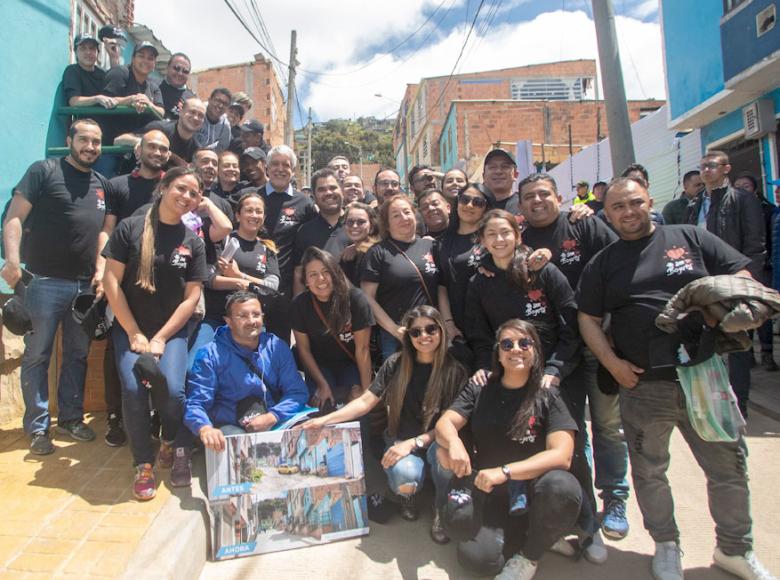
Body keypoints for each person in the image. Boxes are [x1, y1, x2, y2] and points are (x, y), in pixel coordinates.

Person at [578, 177, 774, 580]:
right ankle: (666, 544)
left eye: (635, 202)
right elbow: (588, 318)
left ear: (650, 200)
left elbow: (746, 280)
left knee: (728, 467)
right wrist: (612, 363)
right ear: (607, 212)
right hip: (643, 383)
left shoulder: (691, 236)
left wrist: (734, 315)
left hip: (705, 376)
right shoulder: (606, 262)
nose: (628, 212)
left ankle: (734, 549)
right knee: (650, 470)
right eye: (618, 207)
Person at [463, 209, 603, 559]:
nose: (499, 240)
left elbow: (571, 325)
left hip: (554, 375)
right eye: (491, 234)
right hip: (509, 375)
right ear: (482, 241)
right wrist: (484, 365)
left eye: (505, 233)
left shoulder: (544, 272)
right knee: (518, 446)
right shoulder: (479, 281)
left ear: (518, 235)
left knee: (572, 452)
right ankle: (533, 524)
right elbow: (480, 334)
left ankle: (587, 526)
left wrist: (555, 368)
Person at [517, 173, 630, 541]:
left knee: (608, 426)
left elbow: (621, 262)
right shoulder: (518, 238)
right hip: (557, 354)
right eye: (529, 196)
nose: (537, 201)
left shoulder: (585, 226)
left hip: (598, 343)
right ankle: (583, 507)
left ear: (560, 196)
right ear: (521, 205)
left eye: (544, 194)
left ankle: (615, 498)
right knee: (573, 431)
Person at [304, 305, 468, 540]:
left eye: (431, 329)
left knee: (446, 456)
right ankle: (408, 496)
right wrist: (323, 421)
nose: (424, 336)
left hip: (433, 442)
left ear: (441, 331)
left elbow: (449, 425)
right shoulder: (396, 364)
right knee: (406, 475)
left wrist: (412, 443)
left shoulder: (455, 371)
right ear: (408, 336)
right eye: (416, 332)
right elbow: (365, 403)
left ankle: (440, 506)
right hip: (400, 438)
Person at [434, 319, 582, 579]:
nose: (516, 349)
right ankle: (536, 536)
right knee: (476, 560)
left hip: (535, 492)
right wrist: (454, 442)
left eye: (525, 343)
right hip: (490, 491)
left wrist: (505, 471)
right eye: (507, 344)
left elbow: (563, 454)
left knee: (563, 486)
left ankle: (531, 553)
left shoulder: (549, 394)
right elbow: (445, 423)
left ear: (535, 351)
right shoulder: (480, 387)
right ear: (498, 354)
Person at [1, 119, 108, 455]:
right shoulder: (43, 172)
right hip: (43, 281)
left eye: (96, 142)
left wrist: (101, 273)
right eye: (84, 140)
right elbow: (14, 217)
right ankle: (37, 428)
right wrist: (13, 261)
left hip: (84, 287)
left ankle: (72, 418)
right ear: (69, 140)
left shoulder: (101, 184)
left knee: (77, 355)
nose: (90, 147)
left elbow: (105, 234)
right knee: (38, 355)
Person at [101, 167, 209, 500]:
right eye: (181, 188)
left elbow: (192, 297)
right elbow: (111, 281)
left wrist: (162, 337)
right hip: (130, 326)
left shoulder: (192, 241)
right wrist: (134, 332)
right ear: (163, 187)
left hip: (171, 331)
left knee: (174, 391)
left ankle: (170, 442)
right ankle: (143, 464)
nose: (186, 197)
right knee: (133, 389)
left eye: (193, 193)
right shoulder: (130, 228)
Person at [177, 291, 309, 486]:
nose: (251, 321)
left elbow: (297, 392)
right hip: (232, 424)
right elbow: (196, 403)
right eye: (242, 316)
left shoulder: (276, 347)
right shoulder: (209, 355)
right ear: (228, 321)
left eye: (256, 314)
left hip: (273, 418)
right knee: (236, 452)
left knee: (309, 433)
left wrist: (272, 416)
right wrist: (205, 428)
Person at [98, 129, 170, 447]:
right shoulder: (118, 185)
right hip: (122, 279)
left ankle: (154, 417)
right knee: (117, 350)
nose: (157, 152)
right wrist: (102, 270)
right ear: (139, 150)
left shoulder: (171, 187)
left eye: (163, 148)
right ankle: (115, 417)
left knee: (157, 353)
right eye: (152, 146)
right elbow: (107, 230)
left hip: (162, 283)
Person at [684, 151, 766, 416]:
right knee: (704, 343)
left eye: (711, 166)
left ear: (726, 169)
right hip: (703, 286)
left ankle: (738, 406)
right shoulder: (694, 205)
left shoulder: (742, 200)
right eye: (703, 166)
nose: (706, 171)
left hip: (733, 285)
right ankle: (711, 404)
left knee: (737, 343)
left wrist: (746, 282)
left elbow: (755, 245)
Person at [189, 191, 279, 365]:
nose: (254, 215)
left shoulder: (268, 248)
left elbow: (272, 287)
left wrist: (239, 276)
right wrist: (244, 283)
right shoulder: (223, 240)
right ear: (238, 215)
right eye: (249, 210)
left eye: (259, 211)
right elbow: (209, 278)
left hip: (251, 320)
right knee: (194, 366)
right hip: (216, 318)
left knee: (261, 369)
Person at [362, 196, 443, 360]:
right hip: (397, 336)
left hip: (431, 332)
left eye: (407, 212)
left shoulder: (431, 246)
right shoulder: (378, 252)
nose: (403, 218)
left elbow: (442, 287)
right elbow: (367, 297)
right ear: (387, 224)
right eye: (396, 215)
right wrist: (394, 329)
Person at [292, 248, 374, 407]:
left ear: (335, 273)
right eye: (313, 274)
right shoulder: (299, 305)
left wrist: (366, 392)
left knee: (356, 402)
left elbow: (362, 350)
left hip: (350, 364)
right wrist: (322, 385)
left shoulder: (355, 299)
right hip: (319, 365)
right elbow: (303, 349)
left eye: (326, 271)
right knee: (323, 403)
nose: (321, 279)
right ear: (306, 281)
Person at [256, 145, 317, 341]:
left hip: (285, 287)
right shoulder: (253, 197)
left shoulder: (304, 203)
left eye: (286, 165)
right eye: (275, 164)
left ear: (292, 170)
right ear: (267, 167)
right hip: (251, 280)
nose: (280, 169)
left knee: (277, 342)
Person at [733, 172, 777, 371]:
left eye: (746, 186)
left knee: (761, 312)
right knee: (743, 311)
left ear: (755, 190)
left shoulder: (768, 211)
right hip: (738, 269)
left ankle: (767, 352)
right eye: (738, 186)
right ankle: (747, 352)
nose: (742, 190)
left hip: (763, 268)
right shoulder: (729, 211)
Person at [437, 183, 492, 338]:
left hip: (490, 321)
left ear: (486, 209)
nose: (469, 205)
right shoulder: (443, 242)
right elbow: (442, 286)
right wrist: (448, 323)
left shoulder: (492, 238)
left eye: (478, 202)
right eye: (465, 199)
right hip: (457, 325)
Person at [292, 168, 350, 295]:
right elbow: (299, 274)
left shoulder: (358, 223)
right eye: (321, 190)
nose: (328, 193)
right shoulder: (305, 231)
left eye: (333, 187)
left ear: (342, 190)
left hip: (356, 308)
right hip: (318, 307)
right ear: (313, 196)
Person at [115, 97, 206, 167]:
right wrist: (139, 141)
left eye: (201, 115)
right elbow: (118, 140)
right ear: (181, 112)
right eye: (192, 112)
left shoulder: (196, 149)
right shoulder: (159, 128)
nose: (196, 118)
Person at [102, 41, 164, 142]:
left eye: (150, 58)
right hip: (111, 144)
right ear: (133, 59)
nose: (145, 61)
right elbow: (106, 100)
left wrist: (148, 104)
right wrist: (132, 99)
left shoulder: (153, 87)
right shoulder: (119, 73)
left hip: (138, 145)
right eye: (141, 56)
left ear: (154, 64)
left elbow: (161, 112)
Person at [62, 33, 118, 109]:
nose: (88, 52)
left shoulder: (102, 73)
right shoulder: (72, 71)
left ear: (97, 52)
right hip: (84, 120)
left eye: (92, 48)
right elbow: (74, 101)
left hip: (106, 119)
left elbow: (116, 90)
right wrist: (97, 99)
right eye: (83, 48)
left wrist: (113, 56)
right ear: (75, 52)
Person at [339, 202, 379, 287]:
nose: (354, 226)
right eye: (350, 222)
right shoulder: (348, 255)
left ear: (371, 227)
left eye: (361, 222)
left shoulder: (376, 254)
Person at [158, 53, 195, 120]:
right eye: (176, 68)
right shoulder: (152, 86)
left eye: (185, 71)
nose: (180, 73)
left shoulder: (191, 99)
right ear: (168, 67)